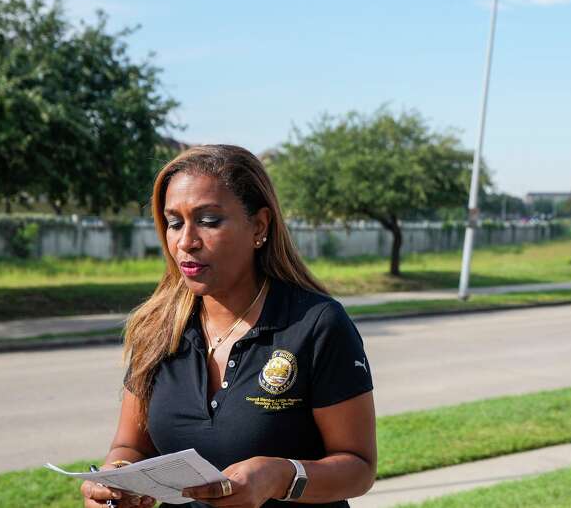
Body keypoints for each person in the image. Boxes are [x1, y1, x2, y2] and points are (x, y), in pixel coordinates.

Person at [81, 145, 377, 508]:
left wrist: (278, 476)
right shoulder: (155, 328)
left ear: (259, 226)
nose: (186, 241)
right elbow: (131, 445)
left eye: (208, 220)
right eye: (175, 222)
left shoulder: (317, 324)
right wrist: (116, 479)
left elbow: (359, 468)